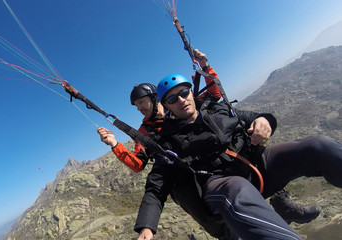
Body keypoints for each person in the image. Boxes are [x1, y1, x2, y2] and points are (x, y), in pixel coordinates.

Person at [134, 73, 342, 239]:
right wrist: (146, 227)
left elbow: (253, 117)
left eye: (185, 92)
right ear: (166, 105)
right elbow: (157, 186)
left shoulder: (216, 108)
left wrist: (265, 121)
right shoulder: (168, 141)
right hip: (220, 182)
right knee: (238, 192)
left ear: (191, 91)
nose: (182, 100)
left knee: (318, 146)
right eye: (172, 98)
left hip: (255, 164)